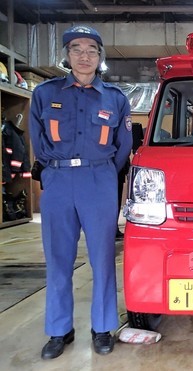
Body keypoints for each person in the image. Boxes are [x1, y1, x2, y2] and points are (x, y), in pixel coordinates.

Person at [29, 25, 133, 359]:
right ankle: (60, 331)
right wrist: (58, 168)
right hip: (58, 180)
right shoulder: (45, 94)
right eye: (77, 49)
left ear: (100, 56)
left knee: (103, 258)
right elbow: (38, 140)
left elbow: (123, 148)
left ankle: (102, 327)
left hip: (98, 180)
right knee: (58, 260)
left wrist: (99, 172)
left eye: (91, 49)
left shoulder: (115, 98)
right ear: (67, 55)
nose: (84, 55)